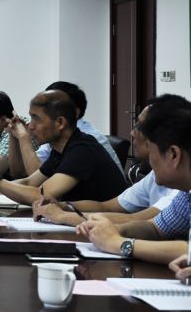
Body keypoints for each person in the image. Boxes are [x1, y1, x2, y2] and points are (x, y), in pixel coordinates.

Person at [77, 95, 191, 264]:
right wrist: (113, 229)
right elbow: (156, 227)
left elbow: (188, 251)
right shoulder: (186, 195)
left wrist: (118, 243)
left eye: (151, 151)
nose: (150, 161)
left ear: (173, 155)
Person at [0, 90, 127, 205]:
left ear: (60, 123)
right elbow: (29, 182)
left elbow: (41, 194)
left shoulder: (82, 150)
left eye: (36, 119)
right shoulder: (60, 150)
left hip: (106, 227)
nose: (30, 126)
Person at [32, 97, 178, 226]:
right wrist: (63, 206)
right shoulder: (153, 176)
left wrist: (63, 216)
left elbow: (139, 220)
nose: (132, 132)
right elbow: (106, 206)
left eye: (141, 126)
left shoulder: (181, 189)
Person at [13, 81, 122, 176]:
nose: (31, 125)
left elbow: (41, 187)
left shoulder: (84, 143)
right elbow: (24, 174)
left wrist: (24, 137)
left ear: (73, 112)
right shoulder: (58, 141)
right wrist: (14, 135)